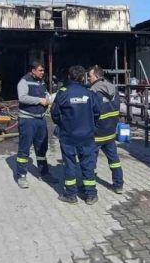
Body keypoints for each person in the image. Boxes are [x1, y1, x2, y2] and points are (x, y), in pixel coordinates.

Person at [51, 65, 100, 205]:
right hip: (87, 136)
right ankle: (90, 195)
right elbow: (97, 112)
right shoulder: (89, 93)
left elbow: (55, 114)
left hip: (68, 136)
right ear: (82, 77)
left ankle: (71, 195)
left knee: (70, 165)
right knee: (88, 164)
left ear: (69, 76)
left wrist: (63, 124)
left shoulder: (63, 92)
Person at [15, 61, 54, 189]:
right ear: (33, 70)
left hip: (40, 119)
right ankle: (21, 175)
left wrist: (49, 98)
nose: (42, 73)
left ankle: (44, 173)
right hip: (27, 120)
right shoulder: (24, 81)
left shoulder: (41, 82)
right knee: (24, 148)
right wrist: (39, 100)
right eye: (40, 70)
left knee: (42, 148)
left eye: (43, 70)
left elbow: (45, 94)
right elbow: (22, 97)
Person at [88, 65, 124, 194]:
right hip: (110, 132)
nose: (88, 78)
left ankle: (90, 189)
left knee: (90, 162)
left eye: (90, 76)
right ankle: (119, 185)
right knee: (114, 161)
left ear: (97, 76)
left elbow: (91, 112)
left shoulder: (93, 91)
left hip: (96, 134)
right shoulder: (113, 88)